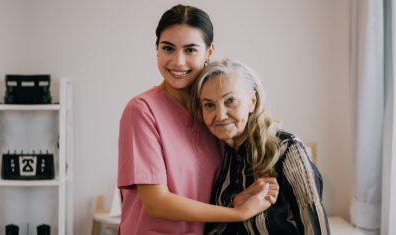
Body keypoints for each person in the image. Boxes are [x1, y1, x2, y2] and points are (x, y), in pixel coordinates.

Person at [117, 5, 278, 235]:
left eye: (190, 50)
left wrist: (237, 200)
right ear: (157, 49)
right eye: (168, 48)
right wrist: (237, 213)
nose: (178, 61)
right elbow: (157, 202)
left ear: (209, 52)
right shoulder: (142, 110)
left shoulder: (213, 113)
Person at [192, 59, 331, 235]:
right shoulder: (217, 154)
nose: (220, 115)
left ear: (252, 101)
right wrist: (235, 204)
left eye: (231, 100)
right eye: (209, 105)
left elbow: (314, 224)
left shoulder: (286, 148)